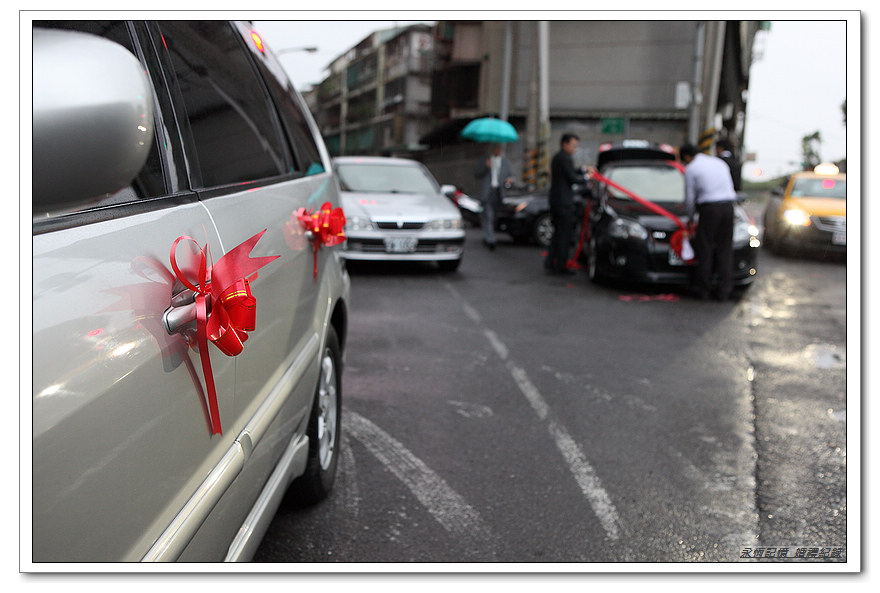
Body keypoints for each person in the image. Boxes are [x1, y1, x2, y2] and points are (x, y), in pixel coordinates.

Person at [679, 143, 738, 301]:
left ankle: (703, 289)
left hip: (710, 209)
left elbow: (690, 198)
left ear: (686, 157)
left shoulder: (691, 169)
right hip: (728, 207)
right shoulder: (719, 162)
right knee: (725, 249)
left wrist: (690, 218)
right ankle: (724, 290)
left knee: (704, 248)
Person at [545, 133, 584, 274]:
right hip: (563, 203)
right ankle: (561, 265)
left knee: (557, 234)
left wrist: (583, 170)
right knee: (564, 235)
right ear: (565, 144)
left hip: (556, 201)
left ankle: (551, 261)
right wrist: (586, 177)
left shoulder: (558, 157)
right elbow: (572, 177)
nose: (574, 149)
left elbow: (571, 172)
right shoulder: (565, 158)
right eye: (573, 146)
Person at [474, 144, 514, 250]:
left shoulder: (505, 162)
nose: (497, 150)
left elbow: (511, 176)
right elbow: (477, 174)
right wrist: (485, 167)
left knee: (494, 217)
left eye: (499, 149)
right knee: (488, 216)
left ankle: (489, 235)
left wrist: (509, 181)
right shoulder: (485, 159)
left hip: (499, 192)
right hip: (487, 192)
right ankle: (490, 239)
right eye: (496, 148)